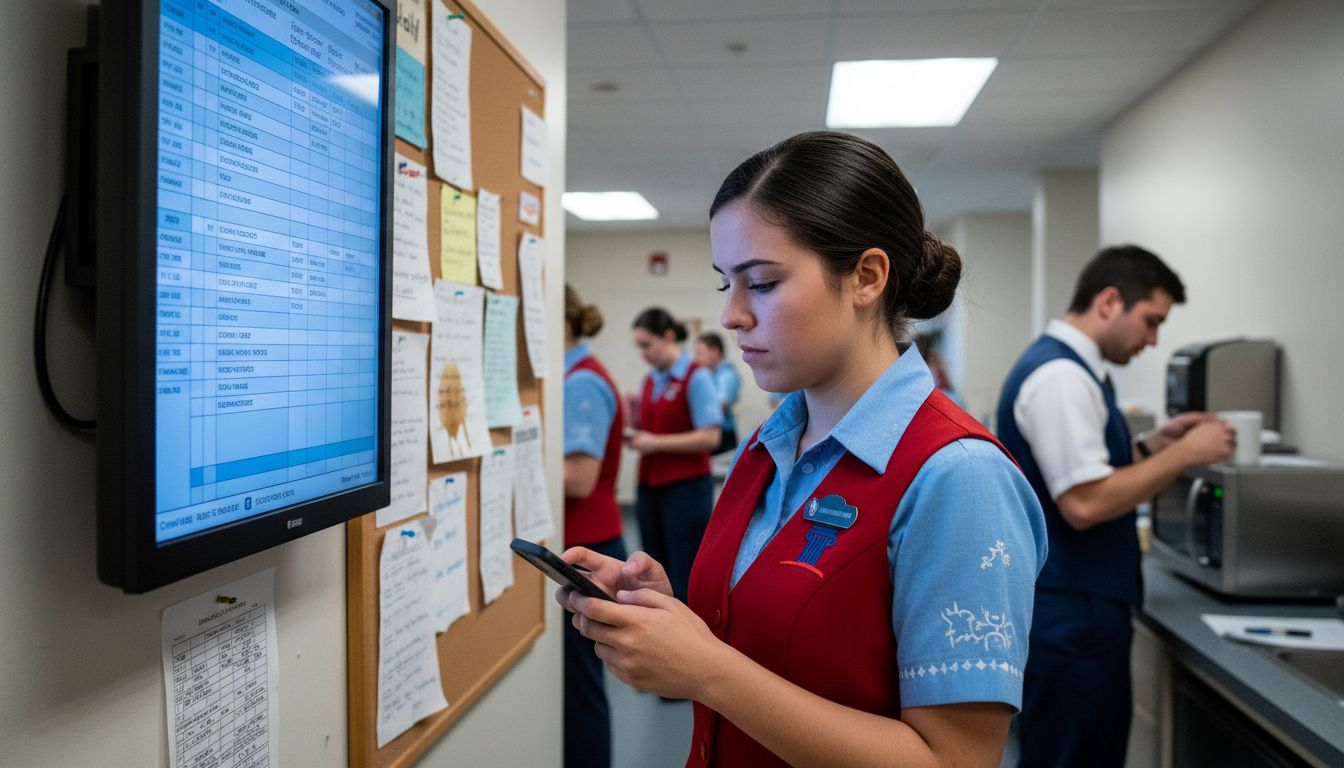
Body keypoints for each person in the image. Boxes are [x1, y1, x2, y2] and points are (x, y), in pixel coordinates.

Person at [559, 131, 1048, 768]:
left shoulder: (958, 476)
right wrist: (669, 617)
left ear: (867, 277)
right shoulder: (771, 444)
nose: (732, 315)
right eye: (726, 285)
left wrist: (707, 670)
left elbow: (953, 760)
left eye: (761, 283)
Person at [995, 245, 1235, 768]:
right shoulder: (1061, 378)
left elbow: (1086, 473)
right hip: (1073, 615)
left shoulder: (1071, 369)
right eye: (1151, 321)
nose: (1153, 340)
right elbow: (1084, 502)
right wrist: (1186, 455)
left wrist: (1152, 446)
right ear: (1108, 302)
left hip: (1073, 607)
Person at [561, 284, 626, 768]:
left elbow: (579, 479)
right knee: (576, 683)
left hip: (589, 543)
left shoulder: (581, 381)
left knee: (581, 686)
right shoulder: (573, 374)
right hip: (583, 539)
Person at [627, 307, 723, 603]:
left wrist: (656, 443)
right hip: (650, 485)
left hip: (685, 488)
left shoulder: (697, 377)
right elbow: (655, 428)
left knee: (683, 572)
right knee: (652, 568)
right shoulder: (650, 380)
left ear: (668, 337)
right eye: (639, 347)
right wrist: (634, 422)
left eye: (647, 345)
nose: (643, 353)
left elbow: (710, 436)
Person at [695, 332, 743, 455]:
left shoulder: (726, 374)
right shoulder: (710, 374)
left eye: (701, 353)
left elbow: (722, 405)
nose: (698, 358)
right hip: (712, 432)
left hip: (723, 435)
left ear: (715, 351)